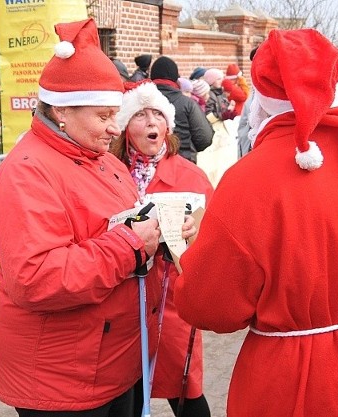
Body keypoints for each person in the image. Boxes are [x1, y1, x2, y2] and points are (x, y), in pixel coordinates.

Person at [173, 28, 338, 417]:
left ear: (261, 99)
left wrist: (188, 259)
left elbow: (211, 306)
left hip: (302, 379)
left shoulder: (250, 180)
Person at [0, 18, 165, 417]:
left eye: (115, 114)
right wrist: (133, 244)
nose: (114, 128)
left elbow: (122, 223)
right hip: (63, 375)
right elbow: (35, 277)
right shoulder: (27, 173)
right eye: (104, 116)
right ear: (61, 111)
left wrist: (163, 232)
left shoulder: (101, 159)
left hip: (110, 360)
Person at [111, 81, 213, 417]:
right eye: (140, 114)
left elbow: (212, 236)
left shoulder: (190, 175)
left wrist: (196, 230)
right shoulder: (111, 174)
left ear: (167, 126)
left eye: (157, 113)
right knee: (129, 392)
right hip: (124, 302)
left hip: (172, 304)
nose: (151, 121)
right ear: (126, 128)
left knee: (186, 395)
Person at [150, 56, 214, 164]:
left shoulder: (141, 103)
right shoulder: (187, 103)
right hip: (183, 165)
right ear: (176, 77)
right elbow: (205, 138)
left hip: (148, 168)